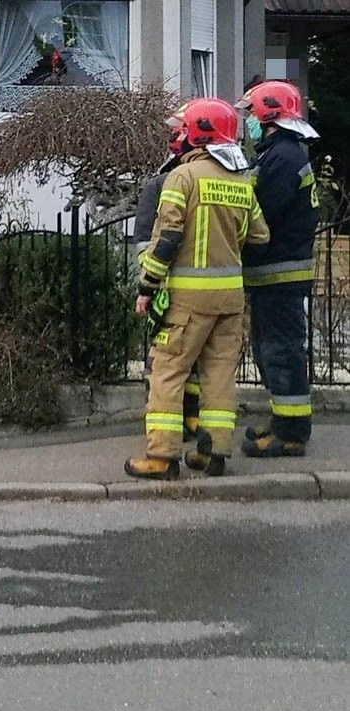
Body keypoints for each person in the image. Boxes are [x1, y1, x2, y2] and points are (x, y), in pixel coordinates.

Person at [125, 98, 270, 480]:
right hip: (231, 300)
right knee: (219, 376)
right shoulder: (240, 181)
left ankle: (161, 457)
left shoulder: (182, 178)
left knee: (168, 372)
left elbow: (168, 237)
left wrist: (147, 286)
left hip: (188, 301)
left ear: (198, 133)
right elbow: (260, 235)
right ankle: (214, 454)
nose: (177, 135)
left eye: (181, 129)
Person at [235, 81, 320, 457]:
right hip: (274, 274)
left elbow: (259, 215)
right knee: (270, 350)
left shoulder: (282, 158)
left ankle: (290, 433)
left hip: (279, 273)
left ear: (268, 115)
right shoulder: (278, 154)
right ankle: (282, 421)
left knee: (281, 351)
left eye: (252, 114)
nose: (248, 121)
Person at [135, 105, 202, 441]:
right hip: (169, 290)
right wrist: (149, 285)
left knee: (175, 363)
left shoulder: (187, 181)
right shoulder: (161, 185)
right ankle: (178, 420)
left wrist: (147, 286)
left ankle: (182, 421)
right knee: (168, 362)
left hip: (179, 291)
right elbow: (145, 242)